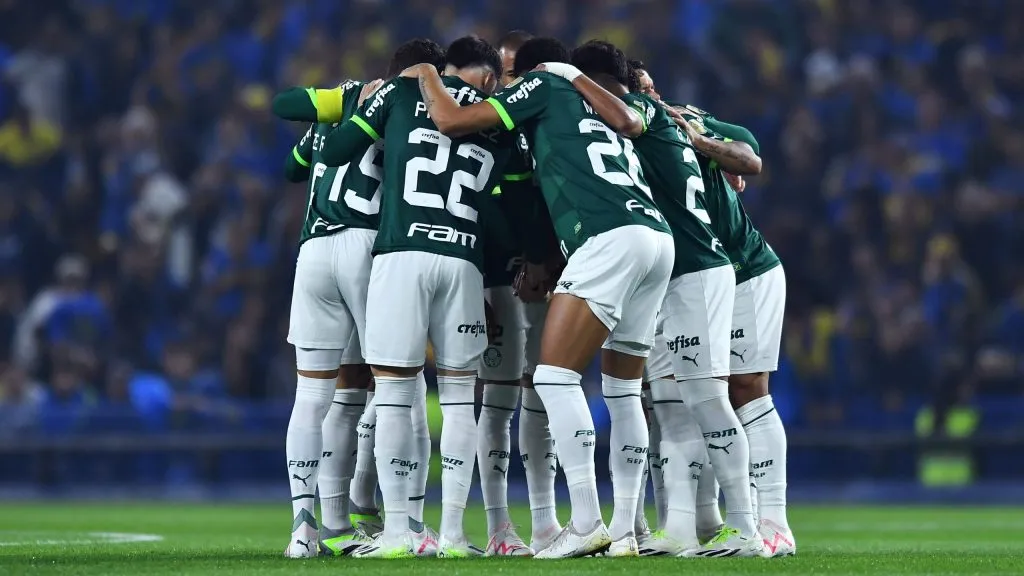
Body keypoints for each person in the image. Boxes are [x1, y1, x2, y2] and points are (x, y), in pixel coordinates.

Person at [407, 36, 674, 558]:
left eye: (509, 79)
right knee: (622, 391)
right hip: (654, 239)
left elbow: (452, 122)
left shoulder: (542, 85)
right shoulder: (591, 99)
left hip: (607, 236)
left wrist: (427, 76)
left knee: (553, 377)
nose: (504, 88)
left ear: (528, 75)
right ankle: (626, 529)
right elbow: (634, 125)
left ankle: (587, 521)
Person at [320, 35, 513, 559]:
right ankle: (452, 535)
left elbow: (337, 152)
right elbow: (509, 201)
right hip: (464, 261)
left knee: (395, 398)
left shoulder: (404, 93)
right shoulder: (495, 113)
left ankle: (400, 533)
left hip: (401, 256)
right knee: (458, 402)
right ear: (489, 75)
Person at [570, 41, 763, 557]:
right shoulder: (666, 120)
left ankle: (747, 527)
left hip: (696, 270)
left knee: (705, 398)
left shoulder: (640, 113)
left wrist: (568, 78)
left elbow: (629, 123)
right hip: (673, 274)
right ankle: (680, 528)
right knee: (674, 409)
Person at [274, 38, 446, 558]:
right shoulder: (411, 106)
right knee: (403, 385)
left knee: (313, 397)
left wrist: (331, 105)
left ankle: (308, 530)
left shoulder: (347, 97)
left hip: (313, 252)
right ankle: (408, 523)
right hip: (369, 246)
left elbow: (289, 144)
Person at [472, 28, 545, 558]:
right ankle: (500, 527)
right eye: (500, 73)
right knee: (497, 404)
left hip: (548, 280)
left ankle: (546, 522)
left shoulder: (550, 125)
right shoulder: (482, 131)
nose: (505, 83)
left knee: (545, 396)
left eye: (513, 72)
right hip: (496, 281)